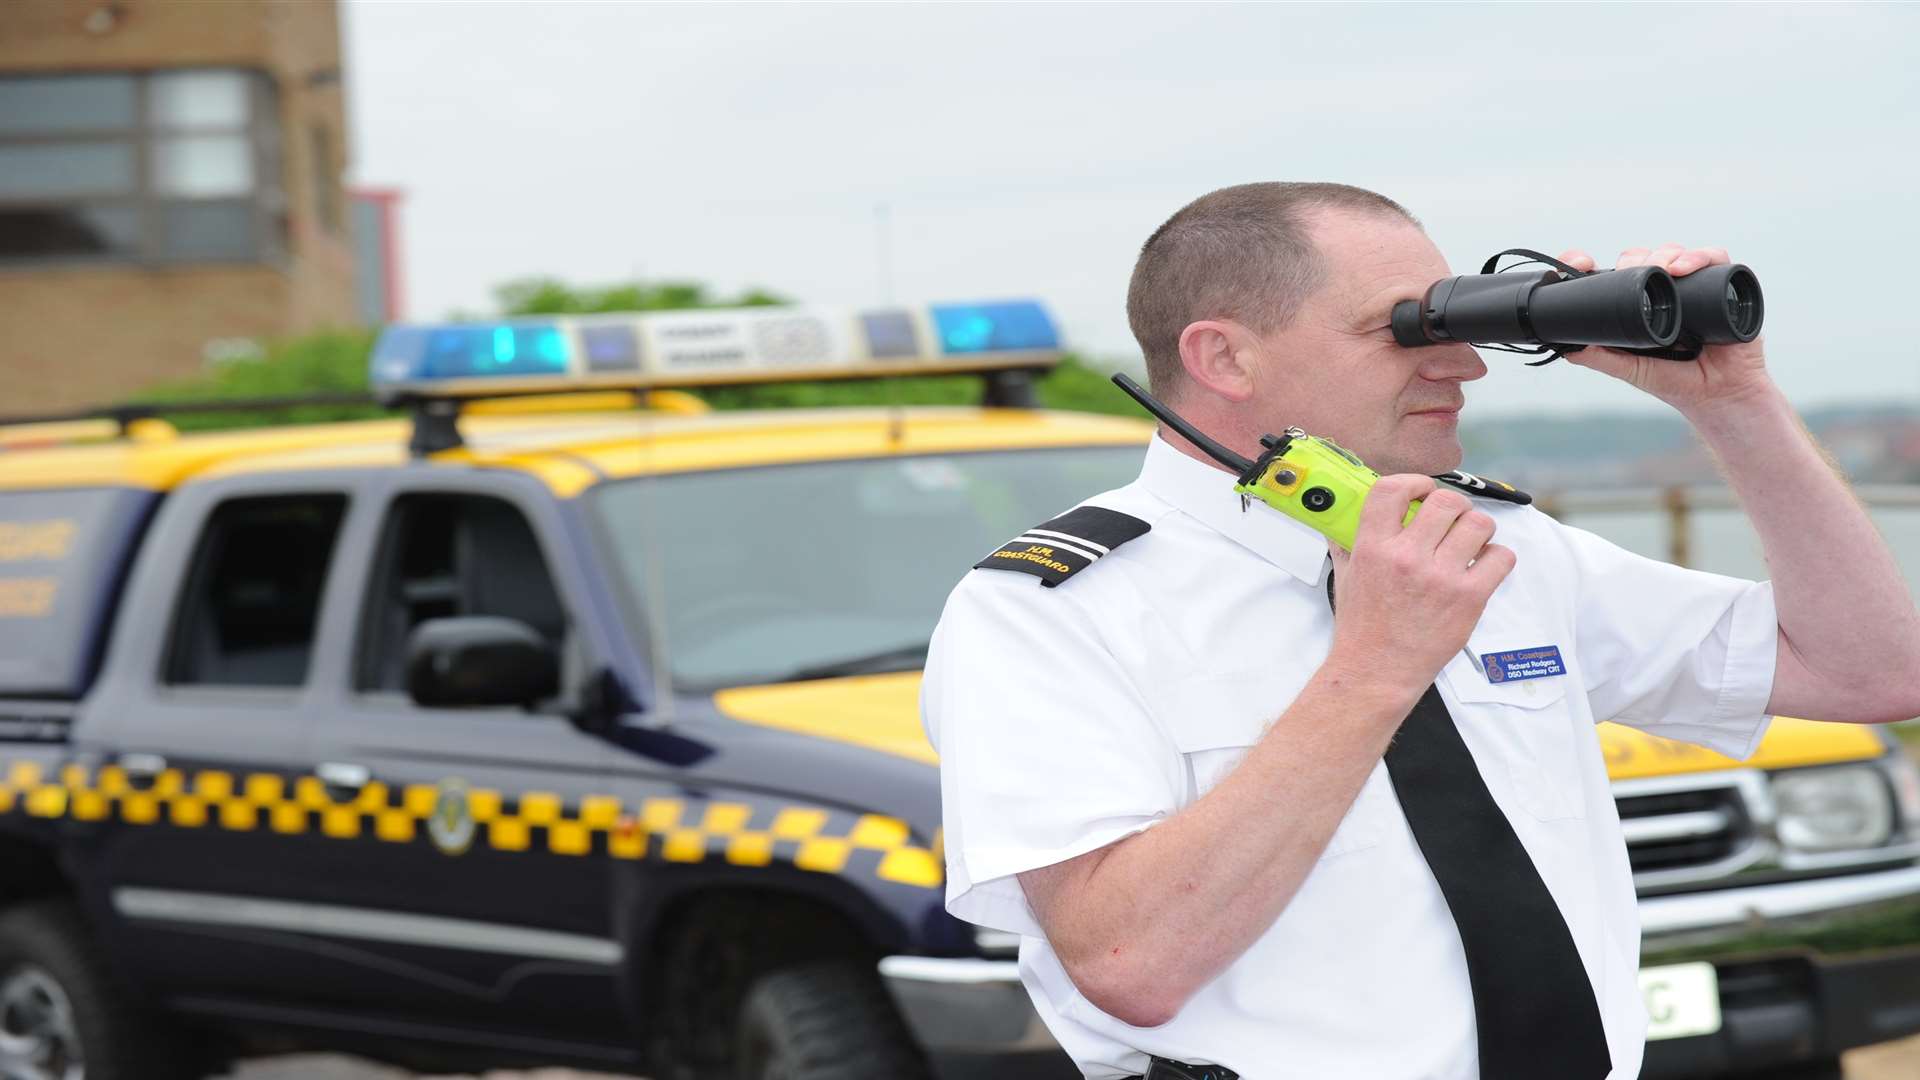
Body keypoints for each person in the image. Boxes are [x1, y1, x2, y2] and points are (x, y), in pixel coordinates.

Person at [920, 181, 1920, 1080]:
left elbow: (1872, 671)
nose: (1464, 363)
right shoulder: (1051, 610)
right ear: (1221, 355)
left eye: (1454, 317)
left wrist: (1735, 404)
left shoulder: (1504, 545)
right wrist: (1375, 667)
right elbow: (1128, 967)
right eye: (1399, 328)